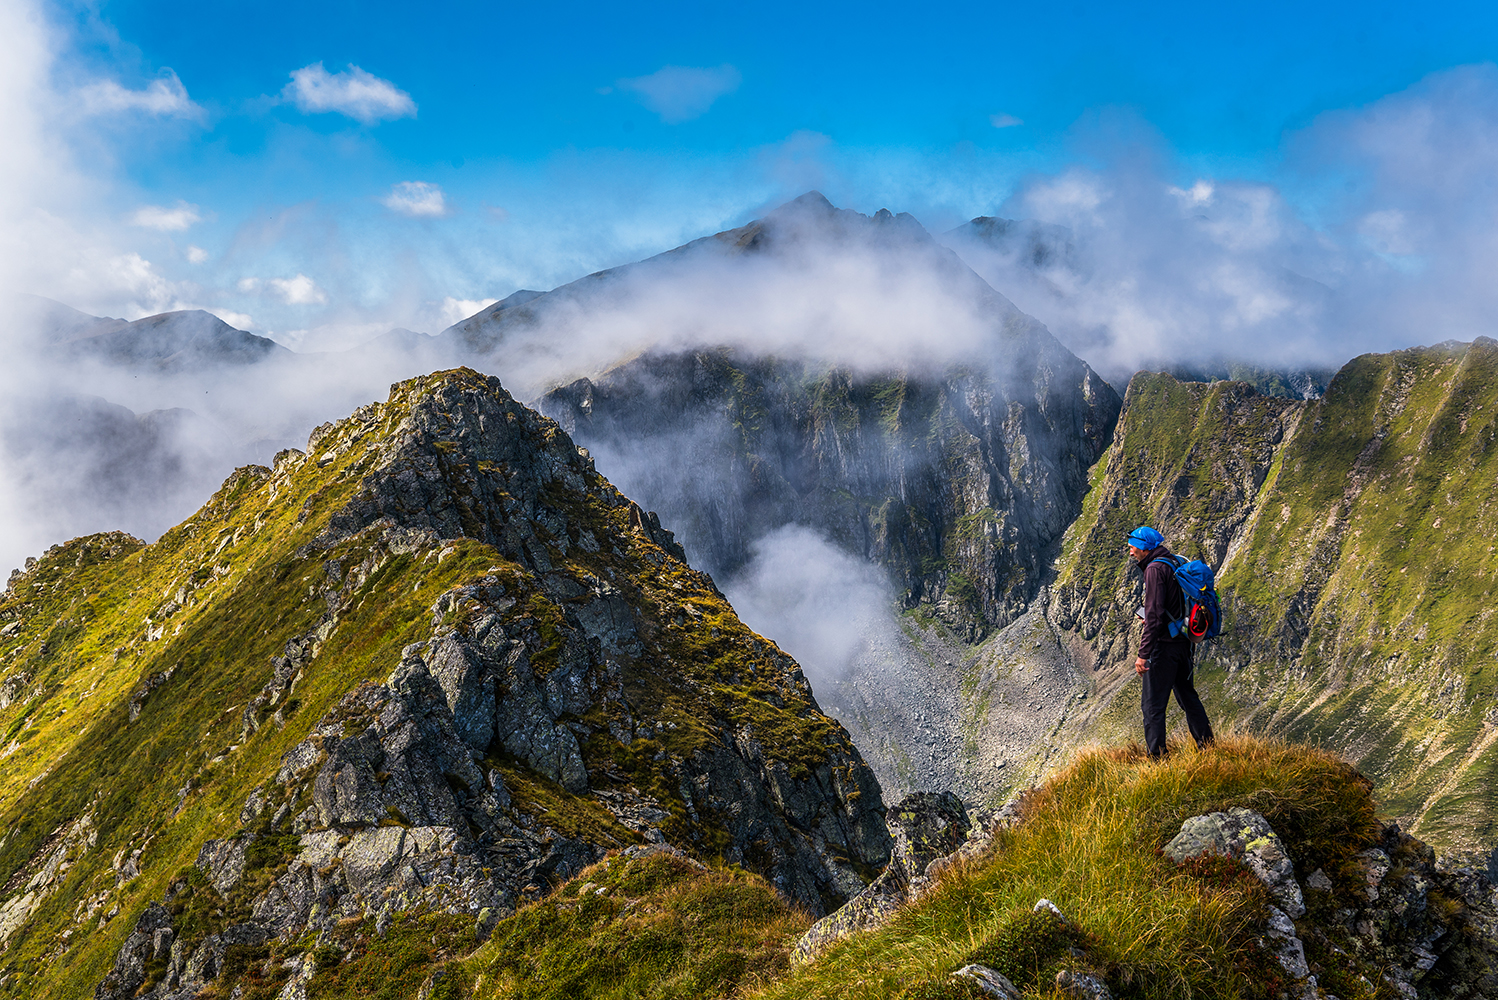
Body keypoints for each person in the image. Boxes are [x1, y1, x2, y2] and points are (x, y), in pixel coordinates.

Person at [1127, 525, 1214, 758]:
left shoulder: (1154, 570)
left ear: (1145, 547)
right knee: (1188, 697)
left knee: (1152, 707)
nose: (1131, 551)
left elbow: (1154, 615)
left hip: (1163, 648)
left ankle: (1157, 759)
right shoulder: (1172, 562)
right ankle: (1207, 748)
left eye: (1133, 546)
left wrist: (1143, 654)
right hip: (1183, 644)